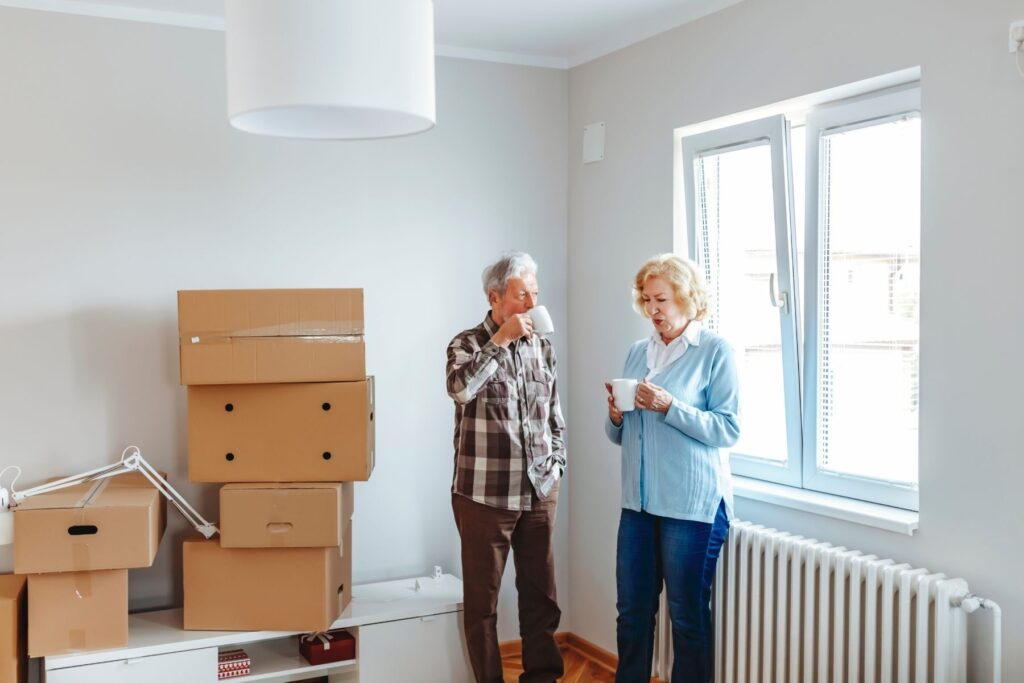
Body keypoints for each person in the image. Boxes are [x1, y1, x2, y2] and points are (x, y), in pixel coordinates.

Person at [604, 254, 739, 683]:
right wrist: (616, 417)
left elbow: (727, 428)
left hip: (692, 508)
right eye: (646, 300)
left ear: (687, 297)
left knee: (687, 619)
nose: (653, 309)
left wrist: (669, 406)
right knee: (632, 616)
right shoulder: (636, 353)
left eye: (661, 298)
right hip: (639, 506)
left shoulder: (714, 351)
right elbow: (619, 437)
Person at [446, 251, 566, 683]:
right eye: (521, 295)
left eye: (535, 293)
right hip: (483, 497)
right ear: (494, 298)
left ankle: (543, 677)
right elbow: (460, 390)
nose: (531, 304)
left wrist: (557, 465)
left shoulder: (542, 346)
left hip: (538, 491)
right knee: (483, 604)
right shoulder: (466, 344)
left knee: (541, 596)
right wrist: (500, 342)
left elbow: (554, 412)